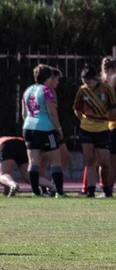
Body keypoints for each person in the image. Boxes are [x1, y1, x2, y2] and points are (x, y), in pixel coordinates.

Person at [73, 63, 116, 198]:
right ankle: (91, 191)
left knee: (105, 162)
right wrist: (84, 121)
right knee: (89, 161)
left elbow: (113, 108)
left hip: (102, 129)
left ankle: (106, 187)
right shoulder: (82, 90)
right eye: (85, 82)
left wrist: (105, 119)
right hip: (86, 129)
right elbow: (77, 108)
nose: (88, 85)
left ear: (95, 78)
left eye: (89, 81)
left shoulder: (106, 89)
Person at [21, 64, 66, 198]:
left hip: (28, 127)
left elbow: (24, 113)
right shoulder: (47, 91)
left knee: (33, 161)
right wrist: (58, 128)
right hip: (45, 129)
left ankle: (36, 192)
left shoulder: (28, 90)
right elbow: (52, 113)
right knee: (55, 161)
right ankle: (59, 192)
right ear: (48, 77)